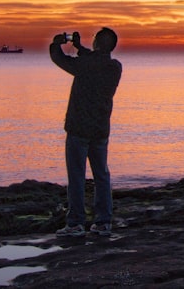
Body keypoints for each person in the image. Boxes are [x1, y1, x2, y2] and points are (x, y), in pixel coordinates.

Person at [49, 27, 122, 237]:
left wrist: (55, 44)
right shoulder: (114, 67)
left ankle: (75, 223)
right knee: (101, 176)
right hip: (100, 130)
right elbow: (95, 61)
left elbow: (61, 60)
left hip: (79, 128)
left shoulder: (85, 65)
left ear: (97, 43)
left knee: (77, 177)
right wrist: (80, 48)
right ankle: (103, 221)